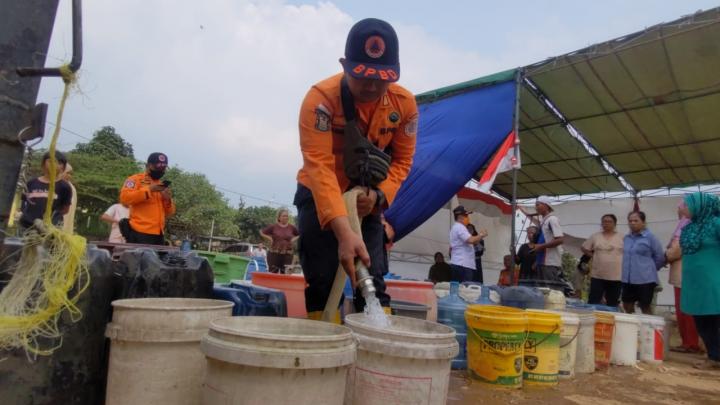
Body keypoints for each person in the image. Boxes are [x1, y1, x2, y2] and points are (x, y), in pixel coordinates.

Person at [293, 18, 418, 320]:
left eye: (382, 78)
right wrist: (343, 230)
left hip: (366, 202)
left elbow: (402, 162)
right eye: (362, 77)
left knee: (372, 280)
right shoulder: (321, 100)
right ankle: (323, 353)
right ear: (345, 64)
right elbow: (319, 168)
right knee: (322, 281)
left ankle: (374, 353)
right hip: (319, 195)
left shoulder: (404, 106)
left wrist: (378, 196)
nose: (372, 86)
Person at [679, 192, 720, 369]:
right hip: (694, 282)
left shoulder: (717, 224)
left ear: (700, 206)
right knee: (702, 320)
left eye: (686, 205)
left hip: (714, 280)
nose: (682, 207)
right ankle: (714, 357)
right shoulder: (689, 226)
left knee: (716, 319)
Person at [666, 201, 701, 353]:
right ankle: (689, 342)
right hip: (687, 273)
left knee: (685, 310)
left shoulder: (687, 225)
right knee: (685, 309)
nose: (679, 211)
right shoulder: (690, 224)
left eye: (681, 208)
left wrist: (666, 256)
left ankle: (690, 343)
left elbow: (677, 250)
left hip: (684, 273)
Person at [119, 152, 175, 245]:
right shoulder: (135, 180)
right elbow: (124, 198)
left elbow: (170, 212)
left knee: (158, 259)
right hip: (139, 232)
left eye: (163, 168)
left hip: (159, 234)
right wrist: (149, 190)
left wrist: (167, 199)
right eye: (157, 167)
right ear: (148, 165)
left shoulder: (161, 186)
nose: (160, 170)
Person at [621, 211, 665, 315]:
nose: (632, 223)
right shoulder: (626, 238)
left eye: (636, 220)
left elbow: (659, 257)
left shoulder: (650, 238)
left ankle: (649, 329)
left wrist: (649, 269)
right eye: (630, 221)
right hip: (628, 279)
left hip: (645, 279)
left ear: (643, 222)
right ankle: (632, 328)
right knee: (627, 305)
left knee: (645, 307)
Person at [18, 150, 73, 231]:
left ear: (63, 168)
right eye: (51, 161)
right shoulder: (31, 183)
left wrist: (50, 221)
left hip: (50, 230)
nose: (54, 164)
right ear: (43, 164)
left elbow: (65, 209)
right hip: (27, 227)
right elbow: (24, 202)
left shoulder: (64, 187)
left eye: (59, 163)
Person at [582, 214, 624, 307]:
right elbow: (584, 247)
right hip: (598, 275)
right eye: (604, 221)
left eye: (609, 222)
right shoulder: (595, 236)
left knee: (612, 303)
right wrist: (593, 255)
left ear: (615, 224)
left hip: (616, 276)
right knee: (593, 300)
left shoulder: (622, 237)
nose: (606, 224)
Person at [528, 196, 565, 281]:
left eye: (538, 205)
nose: (536, 207)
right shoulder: (544, 221)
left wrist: (540, 246)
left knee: (549, 291)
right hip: (542, 263)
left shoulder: (552, 219)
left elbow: (560, 240)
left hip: (550, 263)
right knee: (542, 291)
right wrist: (537, 260)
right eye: (535, 205)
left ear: (546, 205)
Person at [449, 206, 487, 282]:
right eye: (466, 215)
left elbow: (473, 241)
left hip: (462, 264)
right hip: (462, 265)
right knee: (463, 291)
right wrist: (481, 235)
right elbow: (471, 240)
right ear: (460, 216)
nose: (468, 218)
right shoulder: (459, 227)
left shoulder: (459, 227)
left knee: (462, 290)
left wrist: (479, 237)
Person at [260, 208, 298, 273]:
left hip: (287, 255)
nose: (285, 217)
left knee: (286, 275)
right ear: (279, 217)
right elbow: (261, 232)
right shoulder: (273, 226)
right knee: (272, 274)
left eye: (286, 216)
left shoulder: (292, 227)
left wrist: (293, 240)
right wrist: (269, 238)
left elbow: (300, 234)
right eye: (283, 216)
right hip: (274, 254)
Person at [61, 163, 77, 233]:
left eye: (71, 174)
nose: (69, 176)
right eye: (67, 173)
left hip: (65, 229)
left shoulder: (71, 188)